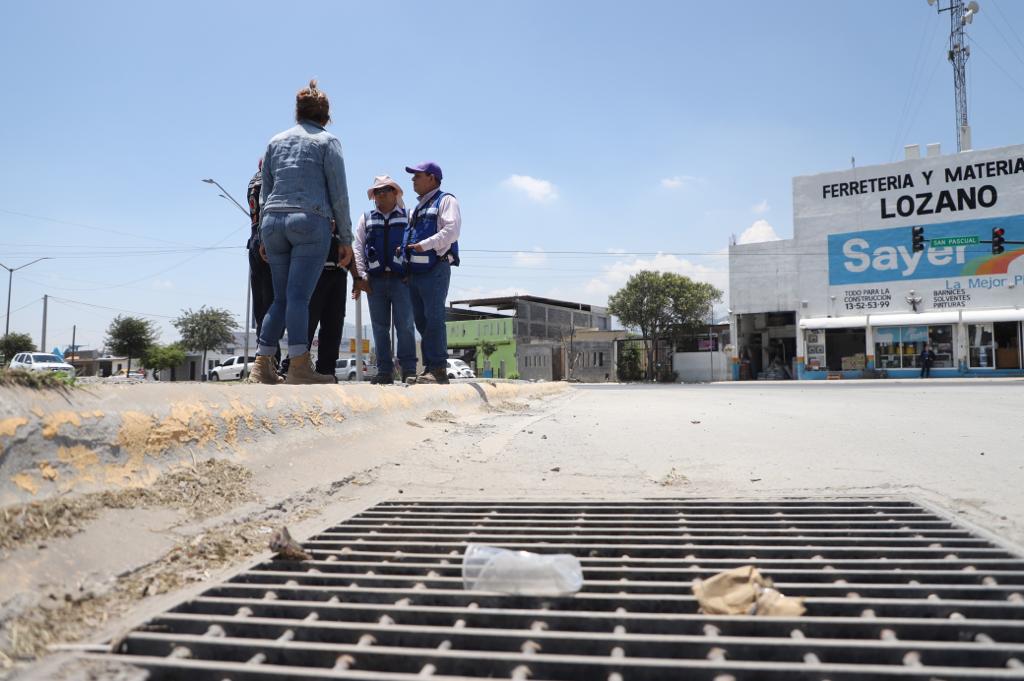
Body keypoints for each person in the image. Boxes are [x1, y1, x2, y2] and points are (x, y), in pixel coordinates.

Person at [249, 79, 353, 386]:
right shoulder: (328, 142)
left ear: (298, 113)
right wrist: (345, 239)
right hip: (310, 221)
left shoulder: (275, 141)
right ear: (326, 116)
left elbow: (266, 191)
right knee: (298, 298)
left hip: (273, 223)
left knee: (280, 298)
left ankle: (261, 365)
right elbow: (339, 194)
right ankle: (298, 366)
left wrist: (263, 236)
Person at [352, 176, 417, 384]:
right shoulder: (366, 218)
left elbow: (416, 242)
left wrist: (412, 272)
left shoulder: (409, 215)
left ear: (395, 193)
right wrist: (360, 276)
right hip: (375, 281)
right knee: (379, 327)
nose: (381, 194)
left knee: (405, 325)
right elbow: (358, 248)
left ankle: (409, 369)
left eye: (386, 190)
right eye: (377, 191)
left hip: (402, 280)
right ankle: (384, 371)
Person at [403, 161, 461, 384]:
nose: (413, 180)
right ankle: (429, 367)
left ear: (432, 178)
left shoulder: (446, 200)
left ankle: (438, 369)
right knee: (421, 321)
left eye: (417, 176)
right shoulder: (416, 208)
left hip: (435, 268)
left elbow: (452, 231)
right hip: (416, 273)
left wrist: (425, 245)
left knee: (434, 318)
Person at [246, 158, 280, 379]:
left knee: (261, 307)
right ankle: (269, 361)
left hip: (253, 241)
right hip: (267, 244)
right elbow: (268, 207)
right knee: (274, 304)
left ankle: (264, 359)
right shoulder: (270, 180)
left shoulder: (252, 181)